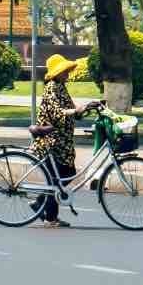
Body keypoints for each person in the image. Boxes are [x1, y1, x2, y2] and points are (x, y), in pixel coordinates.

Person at [28, 54, 102, 229]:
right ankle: (46, 213)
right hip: (51, 140)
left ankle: (45, 211)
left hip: (63, 141)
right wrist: (75, 110)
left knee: (61, 176)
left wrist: (88, 107)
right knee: (58, 179)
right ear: (56, 73)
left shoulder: (61, 87)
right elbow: (57, 112)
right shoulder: (52, 87)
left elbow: (72, 110)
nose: (67, 74)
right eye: (64, 71)